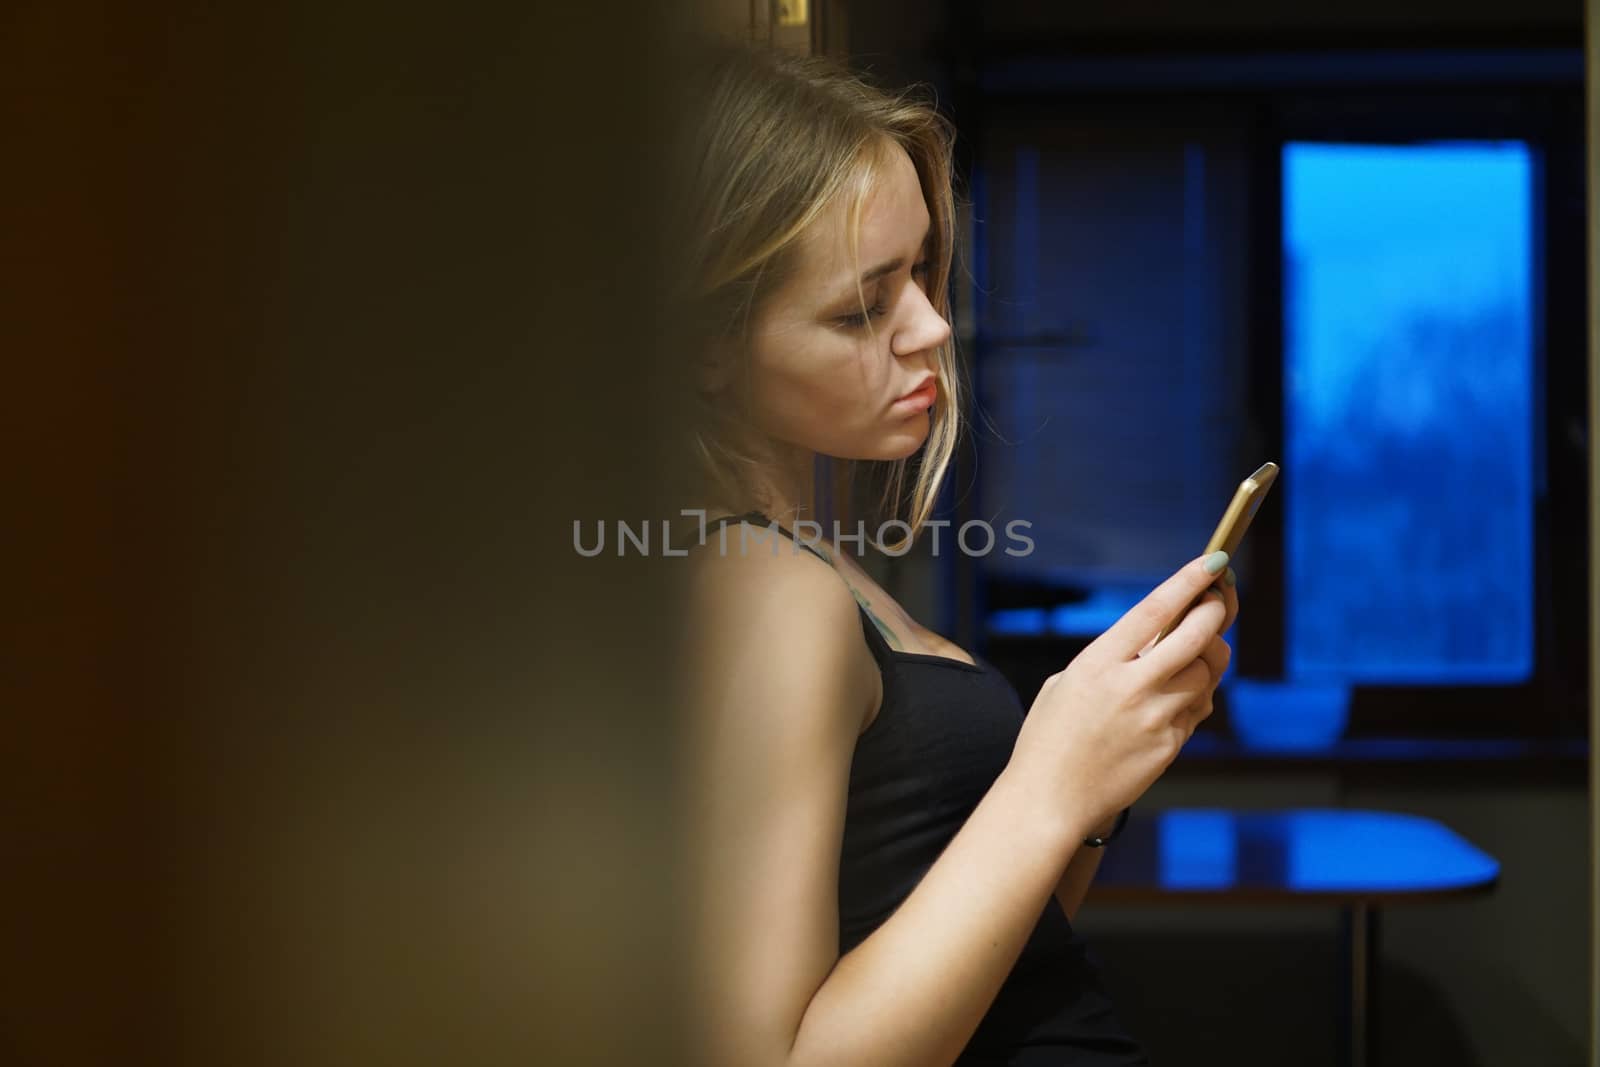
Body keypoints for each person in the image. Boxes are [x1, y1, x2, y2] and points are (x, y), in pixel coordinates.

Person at [665, 39, 1239, 1067]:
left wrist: (1092, 788)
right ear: (708, 344)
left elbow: (984, 959)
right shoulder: (761, 589)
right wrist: (1049, 781)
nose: (932, 325)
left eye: (924, 269)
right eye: (861, 304)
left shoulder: (813, 565)